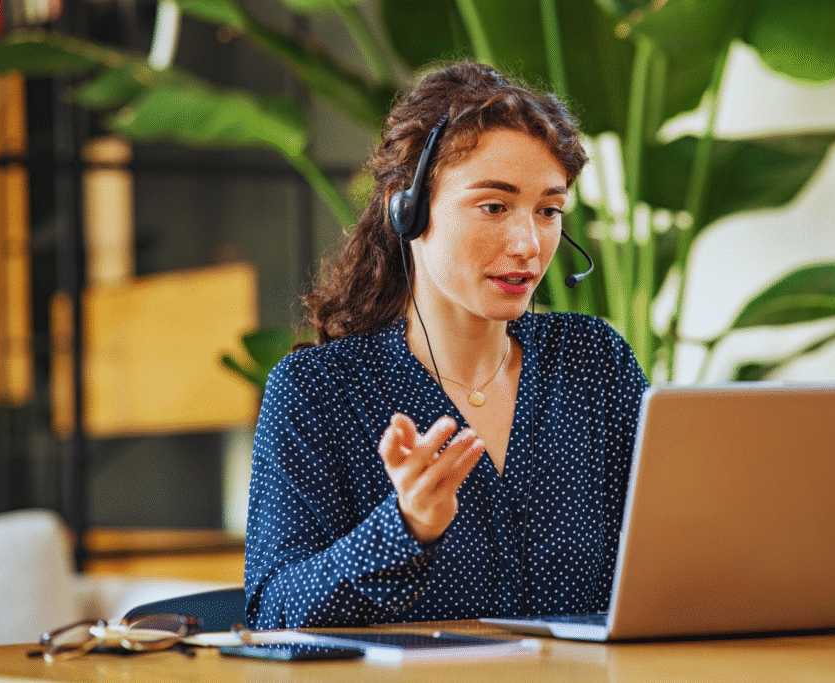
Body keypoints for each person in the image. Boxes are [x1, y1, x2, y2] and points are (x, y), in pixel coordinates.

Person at [244, 61, 649, 629]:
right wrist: (406, 527)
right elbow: (272, 612)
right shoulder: (319, 391)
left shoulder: (593, 362)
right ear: (405, 208)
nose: (528, 243)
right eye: (494, 206)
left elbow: (668, 559)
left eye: (549, 210)